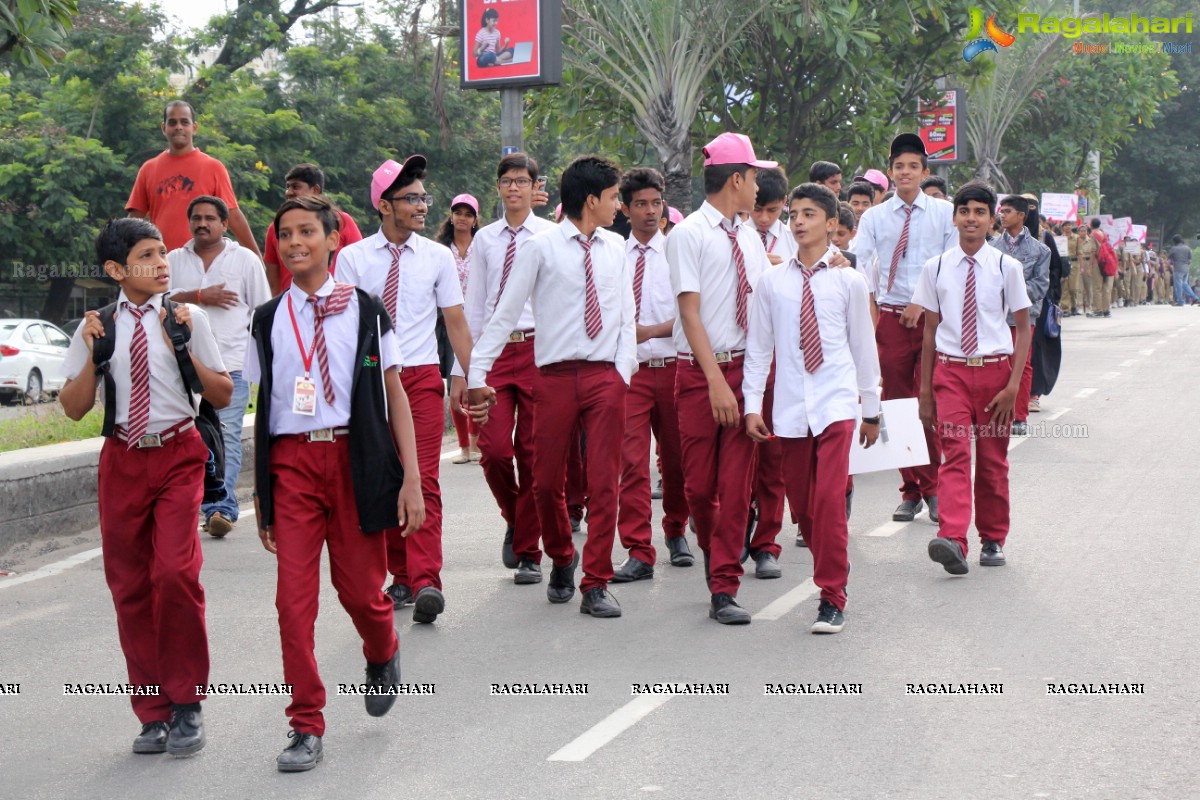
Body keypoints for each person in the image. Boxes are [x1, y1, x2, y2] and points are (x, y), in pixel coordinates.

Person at [246, 195, 425, 772]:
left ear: (331, 240)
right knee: (292, 604)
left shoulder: (367, 311)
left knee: (361, 595)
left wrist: (412, 479)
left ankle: (383, 649)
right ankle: (305, 724)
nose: (295, 242)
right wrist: (261, 491)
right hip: (293, 467)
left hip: (354, 463)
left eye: (307, 231)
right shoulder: (268, 318)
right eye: (285, 234)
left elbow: (394, 393)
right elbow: (263, 401)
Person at [59, 217, 233, 758]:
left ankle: (187, 704)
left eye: (164, 253)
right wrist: (91, 351)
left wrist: (180, 344)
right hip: (123, 460)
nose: (163, 263)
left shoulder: (188, 318)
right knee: (130, 587)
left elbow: (224, 395)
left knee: (176, 574)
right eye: (148, 255)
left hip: (179, 453)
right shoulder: (97, 325)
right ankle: (152, 711)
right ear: (116, 270)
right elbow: (73, 407)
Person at [468, 155, 636, 618]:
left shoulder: (616, 248)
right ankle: (562, 556)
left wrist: (623, 373)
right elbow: (503, 313)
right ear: (590, 200)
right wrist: (476, 374)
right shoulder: (540, 248)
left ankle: (596, 582)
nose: (618, 206)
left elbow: (625, 316)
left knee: (604, 484)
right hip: (555, 377)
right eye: (613, 197)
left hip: (605, 377)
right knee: (544, 484)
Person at [337, 156, 475, 624]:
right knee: (386, 478)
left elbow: (455, 321)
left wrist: (472, 379)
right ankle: (400, 576)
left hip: (417, 377)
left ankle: (426, 580)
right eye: (411, 198)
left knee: (424, 480)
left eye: (423, 198)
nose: (421, 206)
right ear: (384, 205)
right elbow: (343, 327)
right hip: (370, 381)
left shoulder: (437, 257)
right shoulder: (352, 258)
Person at [744, 182, 881, 633]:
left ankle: (831, 595)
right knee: (803, 506)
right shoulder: (772, 282)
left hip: (837, 402)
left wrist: (872, 408)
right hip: (788, 408)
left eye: (808, 214)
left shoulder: (848, 279)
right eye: (794, 215)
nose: (798, 222)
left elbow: (864, 349)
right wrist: (751, 405)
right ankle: (829, 578)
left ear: (831, 224)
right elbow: (760, 350)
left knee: (827, 499)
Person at [666, 132, 774, 625]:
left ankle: (724, 586)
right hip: (699, 374)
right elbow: (689, 314)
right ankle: (718, 550)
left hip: (747, 368)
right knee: (698, 487)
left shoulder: (749, 234)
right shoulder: (688, 234)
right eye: (755, 177)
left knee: (735, 485)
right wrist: (713, 381)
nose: (759, 187)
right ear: (736, 179)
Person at [913, 180, 1031, 575]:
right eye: (965, 211)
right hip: (951, 374)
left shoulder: (1006, 267)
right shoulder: (937, 267)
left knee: (994, 462)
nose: (971, 218)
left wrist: (1013, 386)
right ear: (954, 217)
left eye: (980, 212)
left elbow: (1023, 327)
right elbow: (930, 331)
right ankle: (953, 538)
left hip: (996, 374)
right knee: (956, 454)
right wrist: (925, 391)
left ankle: (993, 538)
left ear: (991, 219)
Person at [459, 153, 556, 578]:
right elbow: (474, 305)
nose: (513, 188)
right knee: (494, 451)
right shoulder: (485, 240)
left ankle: (529, 554)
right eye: (506, 181)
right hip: (495, 352)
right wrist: (467, 369)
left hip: (539, 350)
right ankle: (517, 516)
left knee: (533, 454)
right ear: (497, 187)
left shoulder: (551, 236)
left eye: (522, 181)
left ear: (535, 188)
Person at [852, 133, 957, 523]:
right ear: (891, 172)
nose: (906, 172)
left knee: (927, 401)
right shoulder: (876, 217)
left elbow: (951, 263)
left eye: (914, 166)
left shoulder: (944, 215)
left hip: (933, 319)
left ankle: (932, 487)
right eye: (899, 166)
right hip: (893, 320)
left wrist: (922, 300)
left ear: (925, 172)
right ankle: (914, 490)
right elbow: (860, 262)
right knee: (896, 405)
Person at [168, 195, 271, 538]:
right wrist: (198, 296)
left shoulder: (244, 260)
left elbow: (262, 311)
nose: (202, 223)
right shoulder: (171, 260)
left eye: (210, 218)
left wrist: (264, 365)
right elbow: (156, 303)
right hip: (182, 366)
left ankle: (221, 508)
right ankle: (196, 503)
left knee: (225, 434)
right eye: (196, 218)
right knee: (192, 436)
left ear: (225, 224)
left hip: (232, 364)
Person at [612, 167, 694, 581]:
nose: (649, 211)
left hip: (674, 365)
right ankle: (638, 549)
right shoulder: (611, 253)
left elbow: (689, 313)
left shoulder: (677, 250)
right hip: (630, 372)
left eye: (655, 203)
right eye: (640, 204)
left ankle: (676, 530)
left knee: (677, 460)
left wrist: (650, 331)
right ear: (624, 209)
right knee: (631, 462)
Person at [127, 101, 262, 258]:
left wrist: (258, 259)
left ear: (194, 127)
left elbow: (234, 216)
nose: (178, 127)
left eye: (184, 122)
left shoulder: (213, 168)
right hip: (161, 263)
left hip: (204, 262)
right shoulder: (148, 169)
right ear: (164, 128)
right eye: (172, 122)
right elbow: (134, 221)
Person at [745, 166, 795, 577]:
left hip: (780, 357)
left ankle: (767, 543)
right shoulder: (734, 235)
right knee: (739, 452)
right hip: (738, 352)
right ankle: (739, 517)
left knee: (773, 455)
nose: (763, 219)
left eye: (773, 211)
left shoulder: (796, 238)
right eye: (758, 209)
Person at [262, 163, 364, 295]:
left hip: (338, 303)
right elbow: (273, 285)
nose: (289, 192)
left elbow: (361, 266)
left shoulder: (342, 221)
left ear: (315, 190)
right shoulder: (275, 228)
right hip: (292, 307)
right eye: (287, 187)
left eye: (296, 186)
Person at [994, 195, 1049, 436]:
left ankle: (1019, 415)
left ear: (1021, 216)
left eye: (1007, 211)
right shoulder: (992, 247)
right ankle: (995, 413)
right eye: (1001, 211)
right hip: (995, 315)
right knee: (997, 363)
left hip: (1024, 315)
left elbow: (1040, 285)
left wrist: (1014, 293)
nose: (1002, 215)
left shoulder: (1040, 250)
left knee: (1022, 364)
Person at [436, 193, 482, 464]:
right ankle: (464, 446)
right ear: (451, 216)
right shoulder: (442, 249)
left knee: (477, 379)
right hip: (450, 324)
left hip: (477, 322)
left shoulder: (482, 247)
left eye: (468, 213)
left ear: (475, 219)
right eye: (458, 212)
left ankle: (476, 442)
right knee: (456, 383)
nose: (463, 218)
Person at [1077, 223, 1099, 315]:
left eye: (1084, 231)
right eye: (1081, 231)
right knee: (1079, 287)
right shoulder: (1076, 240)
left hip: (1088, 262)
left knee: (1089, 286)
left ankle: (1089, 305)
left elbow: (1096, 251)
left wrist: (1090, 267)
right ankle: (1080, 306)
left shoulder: (1091, 241)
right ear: (1078, 232)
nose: (1083, 232)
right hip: (1078, 263)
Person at [1168, 234, 1196, 305]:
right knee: (1185, 284)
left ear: (1174, 241)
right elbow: (1190, 260)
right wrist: (1185, 263)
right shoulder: (1188, 248)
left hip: (1177, 268)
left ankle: (1180, 301)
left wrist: (1172, 264)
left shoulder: (1174, 248)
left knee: (1178, 286)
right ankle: (1195, 298)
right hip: (1186, 269)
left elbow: (1169, 260)